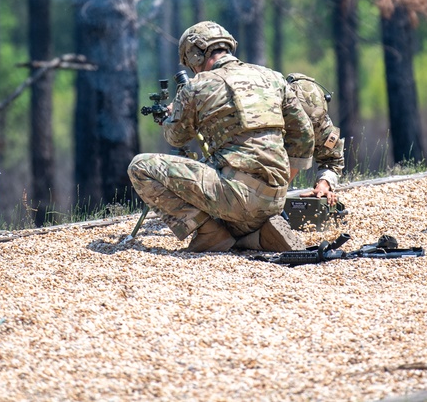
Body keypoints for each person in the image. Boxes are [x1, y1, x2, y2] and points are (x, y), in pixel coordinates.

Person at [128, 21, 315, 253]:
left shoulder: (197, 86)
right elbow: (305, 136)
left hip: (236, 198)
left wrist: (172, 115)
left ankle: (210, 233)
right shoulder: (273, 77)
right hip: (276, 198)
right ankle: (256, 236)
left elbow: (176, 137)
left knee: (140, 167)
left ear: (196, 56)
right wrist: (279, 186)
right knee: (222, 173)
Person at [286, 73, 344, 206]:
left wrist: (324, 184)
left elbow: (333, 161)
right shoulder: (267, 124)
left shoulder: (321, 125)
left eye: (311, 127)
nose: (307, 132)